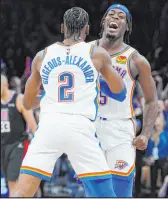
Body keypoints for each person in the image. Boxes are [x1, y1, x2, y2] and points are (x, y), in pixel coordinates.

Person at [11, 7, 126, 197]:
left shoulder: (42, 56)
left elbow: (28, 103)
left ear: (63, 28)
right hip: (80, 127)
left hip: (49, 126)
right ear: (87, 29)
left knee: (22, 192)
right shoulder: (97, 53)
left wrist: (52, 98)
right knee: (105, 195)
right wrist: (97, 85)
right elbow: (120, 93)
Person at [90, 4, 158, 197]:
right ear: (104, 21)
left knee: (120, 192)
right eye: (111, 14)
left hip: (120, 129)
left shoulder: (136, 60)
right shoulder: (84, 51)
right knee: (95, 192)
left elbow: (152, 100)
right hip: (90, 129)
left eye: (121, 17)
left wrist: (145, 133)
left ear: (126, 27)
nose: (115, 18)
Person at [1, 74, 37, 197]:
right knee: (9, 183)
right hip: (3, 146)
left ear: (5, 85)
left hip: (18, 145)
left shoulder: (19, 99)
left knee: (13, 183)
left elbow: (33, 126)